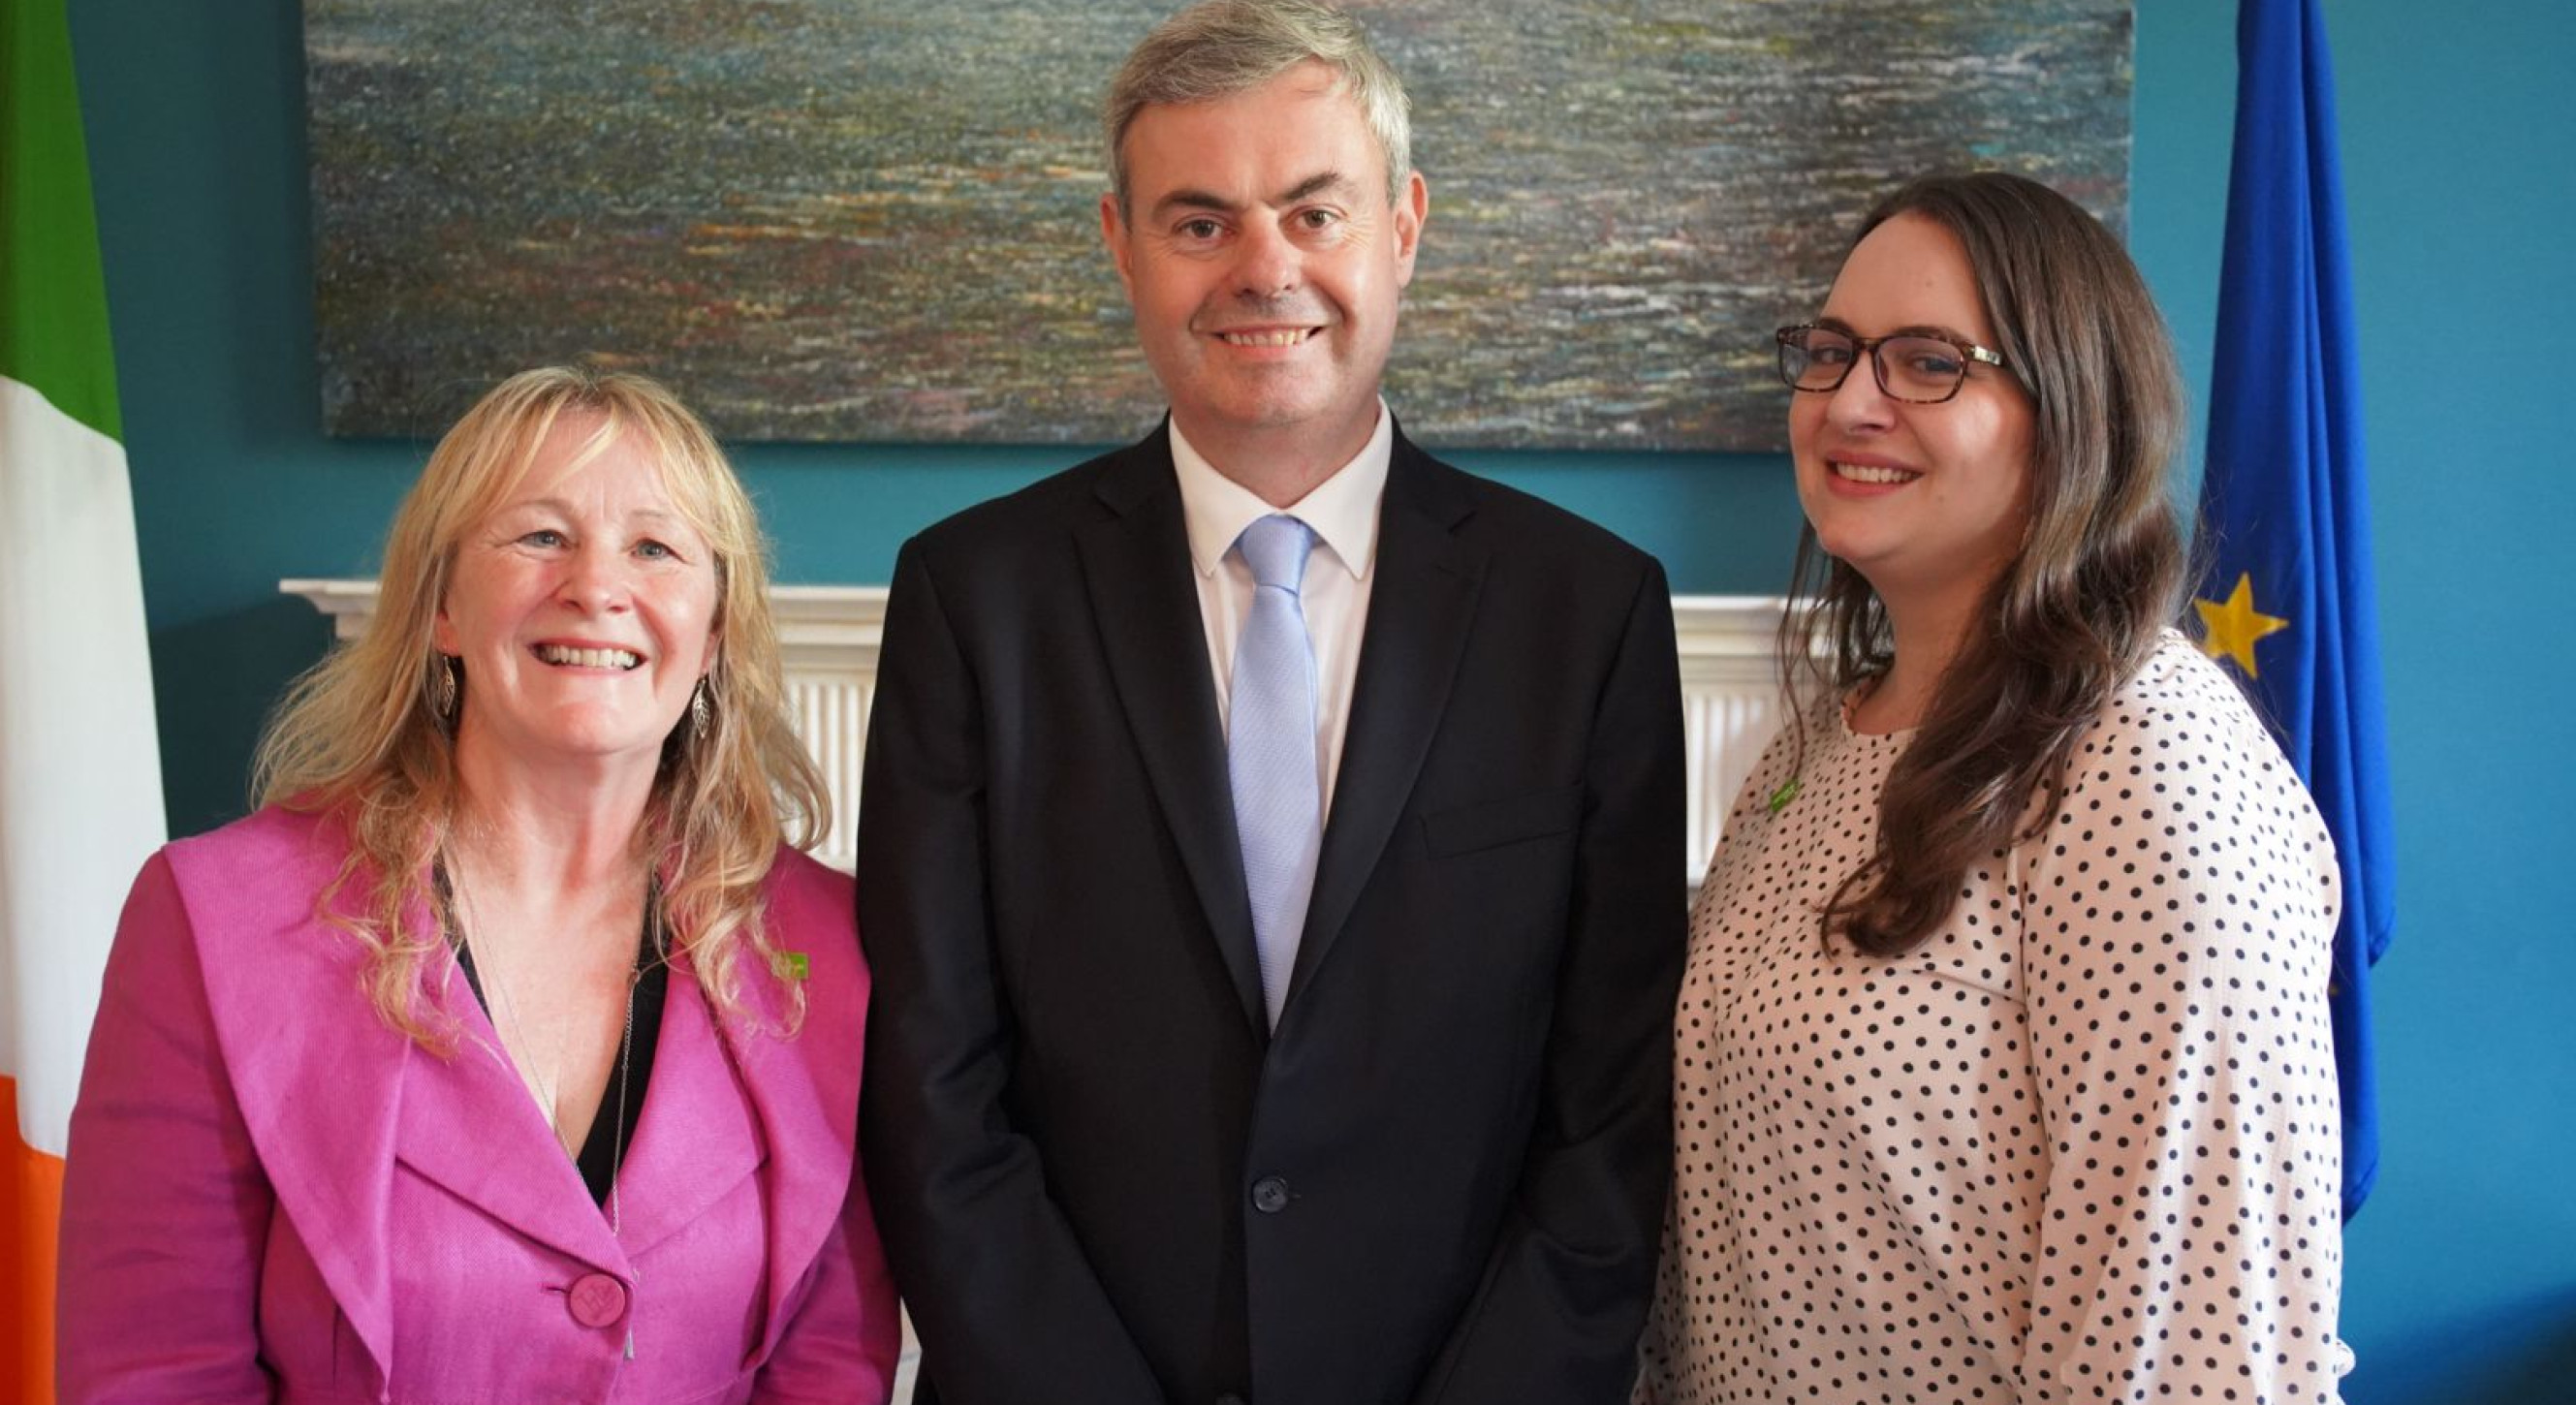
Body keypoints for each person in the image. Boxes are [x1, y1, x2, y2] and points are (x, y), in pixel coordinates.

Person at [854, 3, 1687, 1402]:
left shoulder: (1585, 612)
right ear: (1119, 245)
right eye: (1198, 224)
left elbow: (1612, 1111)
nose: (1264, 268)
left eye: (1314, 212)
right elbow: (933, 1092)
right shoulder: (971, 598)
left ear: (1403, 223)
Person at [1635, 171, 2350, 1401]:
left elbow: (2192, 1350)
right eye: (1832, 351)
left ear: (2074, 407)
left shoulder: (2146, 765)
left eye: (1928, 362)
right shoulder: (1816, 743)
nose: (1853, 401)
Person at [57, 368, 900, 1403]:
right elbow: (153, 1370)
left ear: (716, 632)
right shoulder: (212, 914)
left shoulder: (835, 942)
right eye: (539, 536)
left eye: (655, 547)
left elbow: (826, 1369)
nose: (596, 585)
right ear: (443, 607)